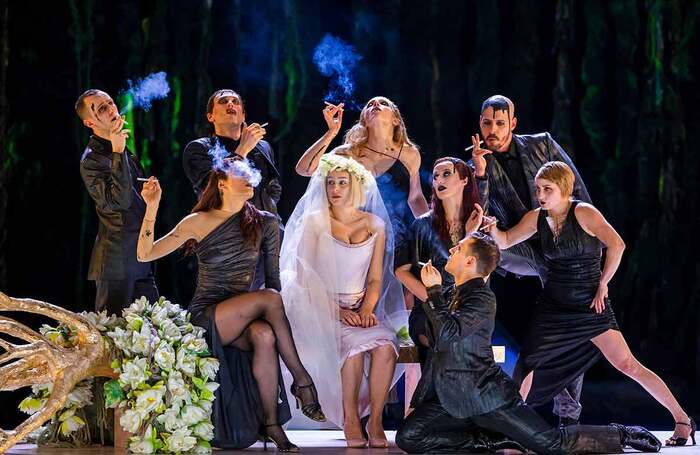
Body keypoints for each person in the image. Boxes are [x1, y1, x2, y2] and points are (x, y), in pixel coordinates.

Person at [483, 161, 695, 446]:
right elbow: (506, 241)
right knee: (527, 364)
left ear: (565, 189)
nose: (541, 195)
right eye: (538, 189)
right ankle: (512, 430)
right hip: (554, 307)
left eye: (548, 189)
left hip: (589, 305)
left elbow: (617, 245)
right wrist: (494, 229)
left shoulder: (583, 212)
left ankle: (683, 420)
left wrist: (603, 283)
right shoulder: (537, 217)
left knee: (627, 364)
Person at [395, 233, 662, 454]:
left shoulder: (481, 298)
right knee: (409, 438)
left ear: (470, 261)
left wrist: (432, 291)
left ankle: (622, 434)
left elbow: (449, 335)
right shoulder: (452, 293)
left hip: (487, 397)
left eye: (459, 248)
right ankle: (494, 440)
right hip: (451, 397)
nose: (452, 249)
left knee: (551, 444)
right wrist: (435, 293)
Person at [136, 156, 324, 451]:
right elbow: (145, 254)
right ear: (222, 184)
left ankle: (273, 425)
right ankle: (303, 382)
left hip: (245, 314)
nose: (250, 177)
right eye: (240, 173)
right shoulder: (198, 221)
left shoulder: (266, 221)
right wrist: (151, 206)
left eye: (250, 172)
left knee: (264, 334)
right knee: (270, 300)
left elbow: (272, 280)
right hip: (207, 316)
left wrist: (272, 318)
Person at [469, 94, 591, 425]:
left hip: (560, 242)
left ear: (513, 123)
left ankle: (567, 415)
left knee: (568, 324)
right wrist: (480, 176)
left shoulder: (542, 145)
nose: (492, 129)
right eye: (486, 123)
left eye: (499, 123)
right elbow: (480, 217)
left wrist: (577, 237)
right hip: (516, 247)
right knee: (479, 241)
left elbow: (576, 189)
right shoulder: (477, 163)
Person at [280, 155, 406, 448]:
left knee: (386, 345)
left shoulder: (375, 225)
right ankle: (350, 417)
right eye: (331, 183)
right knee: (353, 351)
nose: (335, 188)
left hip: (358, 308)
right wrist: (336, 311)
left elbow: (375, 279)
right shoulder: (315, 222)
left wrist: (365, 309)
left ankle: (375, 420)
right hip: (318, 307)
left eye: (342, 182)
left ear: (356, 186)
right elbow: (303, 276)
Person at [296, 97, 429, 249]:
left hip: (398, 236)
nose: (376, 105)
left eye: (383, 103)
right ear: (364, 120)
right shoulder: (347, 153)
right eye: (370, 105)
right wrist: (331, 132)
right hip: (356, 236)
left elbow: (416, 197)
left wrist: (428, 232)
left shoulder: (410, 154)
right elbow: (304, 169)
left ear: (396, 120)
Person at [183, 89, 282, 289]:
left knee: (275, 297)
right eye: (223, 101)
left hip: (271, 236)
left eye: (235, 101)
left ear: (243, 115)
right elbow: (211, 188)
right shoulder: (198, 149)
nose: (231, 104)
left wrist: (265, 213)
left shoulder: (263, 147)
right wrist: (243, 149)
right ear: (210, 116)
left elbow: (273, 188)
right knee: (240, 305)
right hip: (233, 240)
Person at [76, 89, 158, 315]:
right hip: (116, 262)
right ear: (89, 122)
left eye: (110, 103)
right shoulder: (92, 159)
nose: (112, 109)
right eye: (101, 109)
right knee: (114, 336)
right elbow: (120, 202)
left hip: (141, 254)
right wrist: (118, 150)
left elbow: (132, 197)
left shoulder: (120, 148)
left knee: (152, 331)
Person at [394, 157, 482, 365]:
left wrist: (469, 235)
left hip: (466, 311)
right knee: (444, 343)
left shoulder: (477, 225)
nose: (438, 179)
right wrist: (433, 300)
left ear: (464, 180)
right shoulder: (422, 225)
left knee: (466, 344)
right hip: (428, 311)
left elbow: (481, 277)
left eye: (446, 174)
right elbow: (401, 271)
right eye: (435, 176)